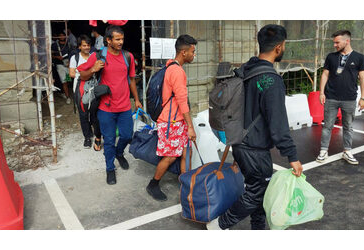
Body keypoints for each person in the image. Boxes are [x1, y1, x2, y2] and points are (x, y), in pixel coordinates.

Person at [206, 24, 303, 230]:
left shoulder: (247, 69)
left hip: (241, 143)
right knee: (255, 193)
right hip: (255, 149)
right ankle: (218, 226)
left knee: (260, 190)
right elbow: (277, 123)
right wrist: (292, 156)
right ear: (279, 47)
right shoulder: (271, 80)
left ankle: (258, 229)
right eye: (284, 45)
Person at [78, 25, 142, 185]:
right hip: (106, 108)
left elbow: (132, 79)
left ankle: (119, 153)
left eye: (122, 39)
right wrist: (93, 68)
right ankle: (109, 169)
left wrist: (137, 99)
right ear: (108, 40)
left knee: (127, 136)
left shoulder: (128, 56)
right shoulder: (98, 56)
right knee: (109, 140)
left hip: (125, 106)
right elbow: (82, 75)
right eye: (117, 39)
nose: (121, 42)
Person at [146, 35, 197, 201]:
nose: (194, 55)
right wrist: (190, 126)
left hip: (177, 121)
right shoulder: (177, 71)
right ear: (183, 52)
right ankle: (153, 184)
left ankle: (185, 185)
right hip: (171, 123)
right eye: (192, 51)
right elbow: (182, 101)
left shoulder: (171, 66)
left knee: (185, 153)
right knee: (170, 156)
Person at [316, 30, 364, 165]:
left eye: (337, 42)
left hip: (349, 98)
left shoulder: (359, 57)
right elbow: (325, 75)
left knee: (348, 126)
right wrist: (321, 92)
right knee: (327, 126)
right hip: (331, 97)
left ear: (347, 41)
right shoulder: (331, 57)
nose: (335, 45)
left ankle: (347, 151)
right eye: (334, 42)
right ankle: (323, 151)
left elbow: (363, 78)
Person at [69, 35, 102, 150]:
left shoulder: (94, 56)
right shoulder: (75, 58)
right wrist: (87, 71)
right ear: (79, 47)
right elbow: (72, 74)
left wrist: (87, 71)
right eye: (84, 45)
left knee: (94, 113)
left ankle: (97, 135)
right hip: (80, 88)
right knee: (83, 114)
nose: (87, 47)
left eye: (88, 45)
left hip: (93, 87)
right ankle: (87, 137)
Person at [51, 31, 72, 104]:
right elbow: (50, 54)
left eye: (63, 36)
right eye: (60, 36)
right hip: (60, 65)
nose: (62, 37)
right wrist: (57, 57)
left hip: (67, 65)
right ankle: (68, 97)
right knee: (64, 81)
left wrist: (70, 62)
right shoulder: (54, 45)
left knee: (68, 80)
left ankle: (64, 93)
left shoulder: (68, 44)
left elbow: (72, 54)